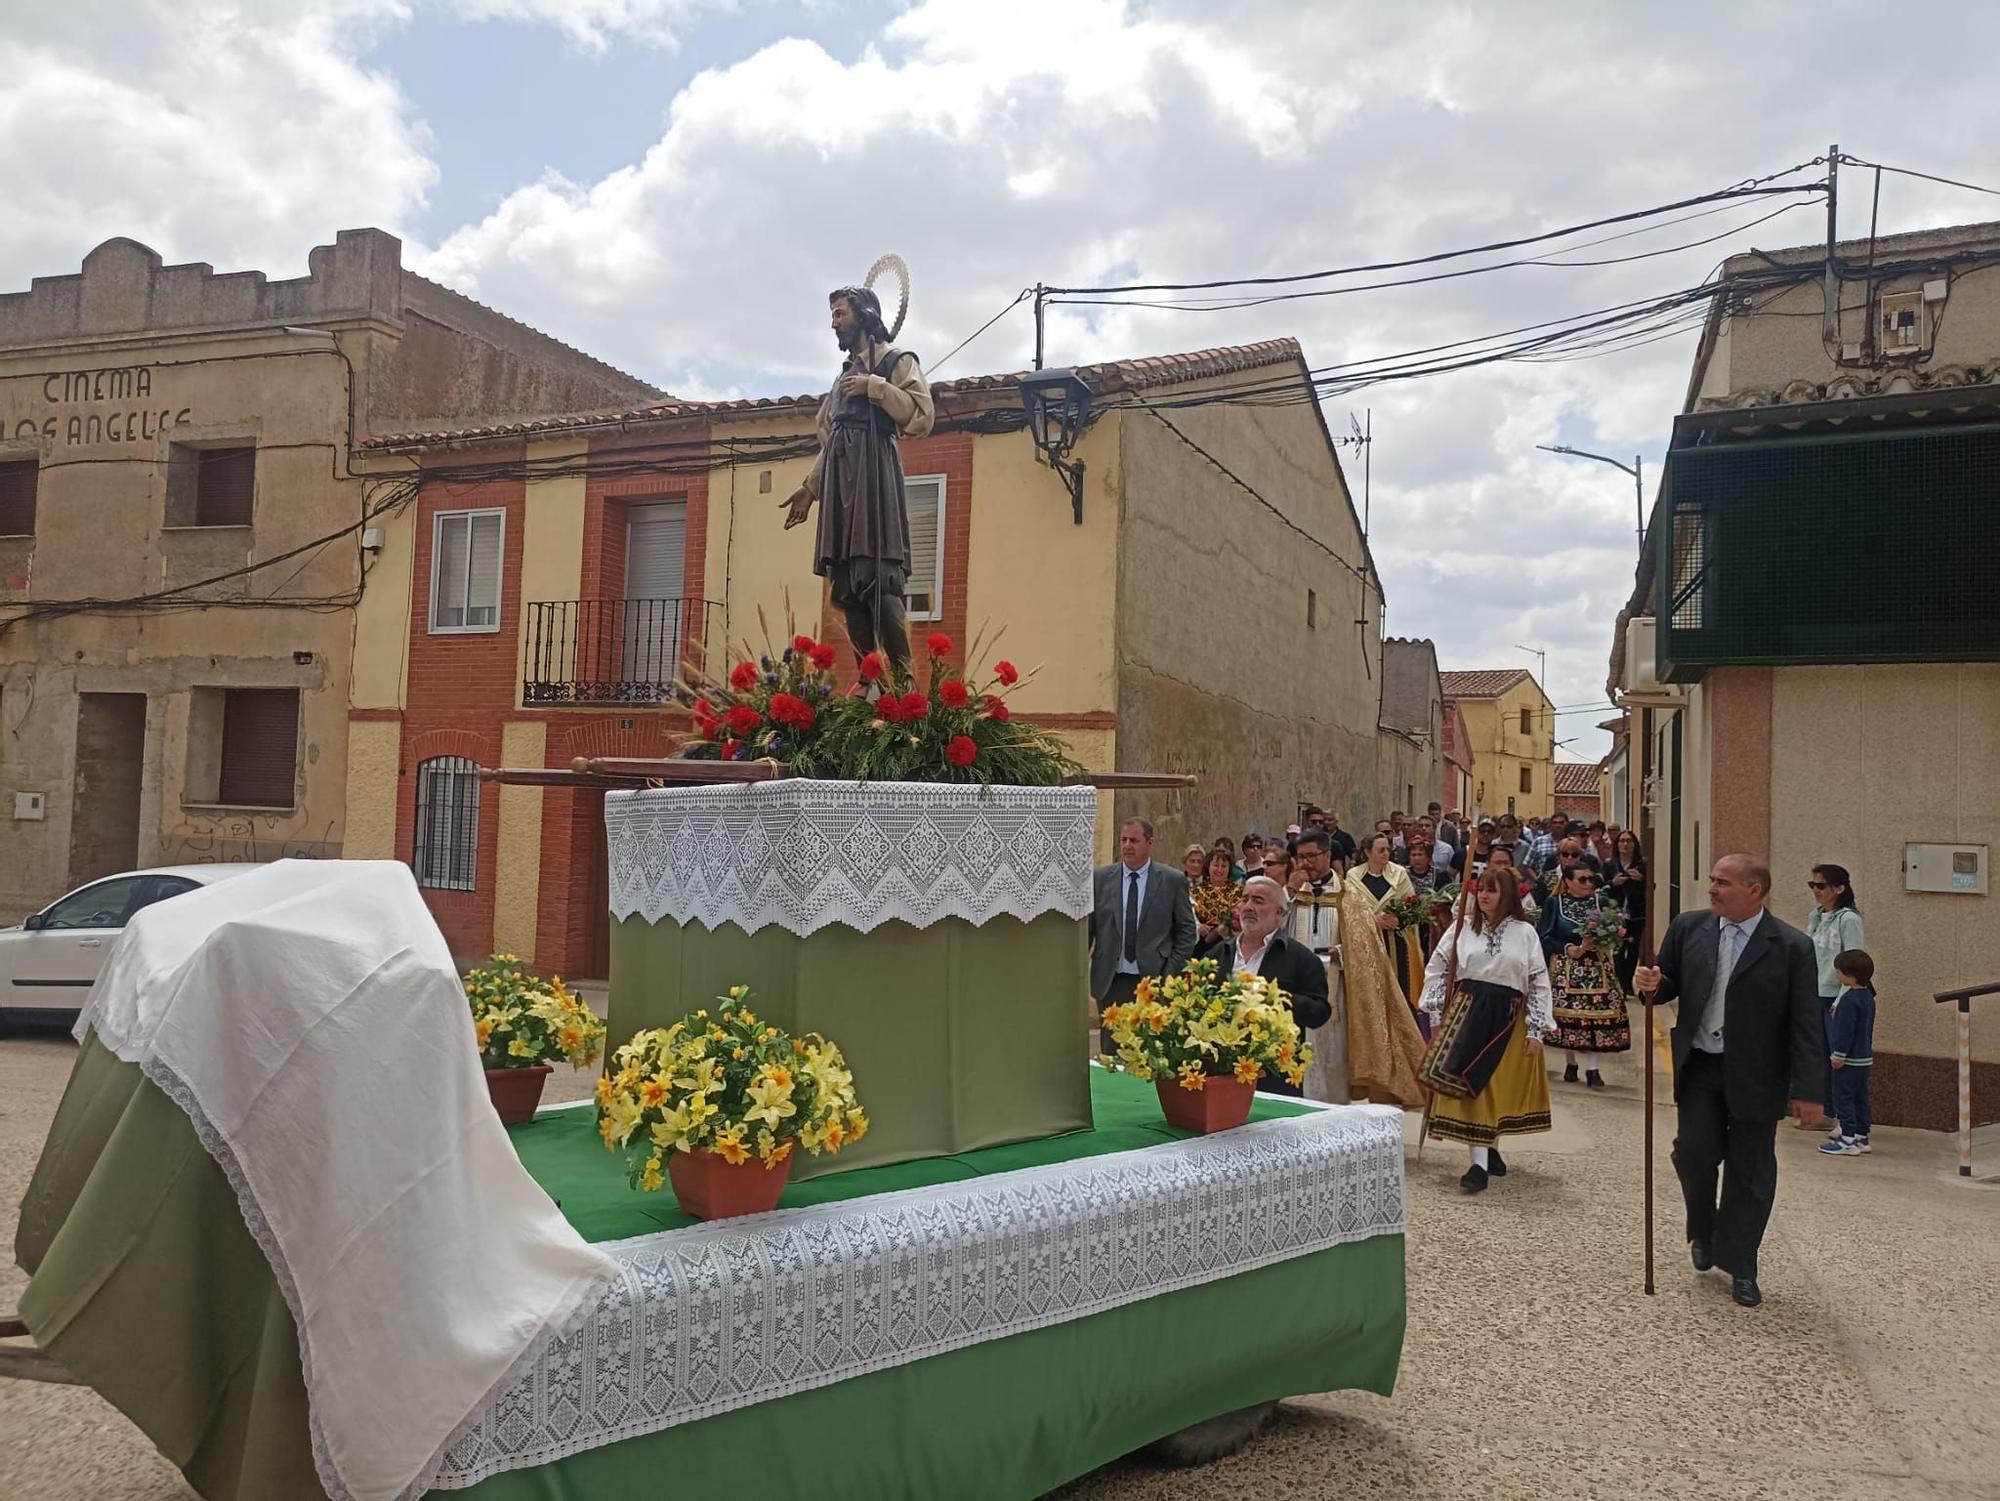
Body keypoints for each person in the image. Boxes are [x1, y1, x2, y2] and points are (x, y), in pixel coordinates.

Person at [1634, 856, 1825, 1309]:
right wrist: (1650, 982)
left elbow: (1806, 1024)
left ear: (1755, 890)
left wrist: (1810, 1091)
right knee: (1694, 1153)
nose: (1712, 889)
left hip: (1758, 1075)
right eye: (1713, 881)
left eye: (1723, 883)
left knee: (1751, 1171)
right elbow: (1666, 983)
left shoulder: (1792, 947)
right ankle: (1703, 1228)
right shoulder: (1689, 927)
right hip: (1701, 1065)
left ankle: (1741, 1262)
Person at [780, 284, 934, 671]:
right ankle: (869, 679)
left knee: (877, 576)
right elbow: (831, 439)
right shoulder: (841, 377)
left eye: (840, 314)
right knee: (847, 585)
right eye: (832, 315)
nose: (834, 323)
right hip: (839, 481)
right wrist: (810, 489)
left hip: (874, 475)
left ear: (863, 316)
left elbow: (921, 415)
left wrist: (876, 388)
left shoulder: (895, 361)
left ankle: (902, 680)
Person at [1418, 869, 1557, 1194]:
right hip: (1468, 1013)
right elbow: (1437, 969)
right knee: (1472, 1086)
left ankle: (1490, 1145)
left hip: (1509, 1016)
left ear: (1507, 895)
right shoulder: (1462, 928)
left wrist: (1536, 1028)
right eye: (1481, 890)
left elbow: (1538, 980)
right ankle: (1478, 1165)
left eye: (1492, 891)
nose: (1484, 896)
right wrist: (1436, 1011)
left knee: (1496, 1088)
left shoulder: (1525, 933)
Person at [1201, 876, 1331, 1097]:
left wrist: (1274, 999)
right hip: (1219, 1072)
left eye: (1259, 901)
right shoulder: (1217, 955)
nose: (1249, 907)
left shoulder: (1301, 959)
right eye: (1245, 899)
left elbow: (1319, 1012)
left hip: (1273, 1078)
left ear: (1279, 913)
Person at [1090, 819, 1200, 1054]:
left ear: (1150, 843)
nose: (1128, 846)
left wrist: (1170, 972)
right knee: (1113, 1051)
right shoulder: (1100, 879)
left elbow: (1187, 932)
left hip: (1153, 979)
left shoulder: (1171, 880)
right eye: (1124, 840)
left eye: (1134, 840)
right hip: (1112, 980)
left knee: (1151, 1050)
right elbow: (1090, 928)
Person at [1337, 834, 1428, 1106]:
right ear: (1367, 852)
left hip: (1395, 945)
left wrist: (1398, 919)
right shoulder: (1353, 877)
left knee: (1397, 1001)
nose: (1386, 853)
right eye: (1380, 849)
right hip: (1364, 949)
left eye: (1388, 849)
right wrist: (1372, 922)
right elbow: (1349, 911)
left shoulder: (1399, 874)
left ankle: (1402, 1069)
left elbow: (1413, 905)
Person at [1537, 861, 1630, 1086]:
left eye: (1591, 879)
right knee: (1568, 1019)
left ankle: (1593, 1068)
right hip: (1567, 967)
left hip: (1597, 967)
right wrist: (1570, 949)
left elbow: (1619, 931)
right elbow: (1544, 936)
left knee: (1595, 1020)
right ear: (1568, 881)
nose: (1588, 884)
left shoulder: (1602, 902)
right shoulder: (1554, 903)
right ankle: (1571, 1063)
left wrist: (1605, 941)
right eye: (1582, 880)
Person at [1282, 829, 1349, 1104]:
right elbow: (1273, 933)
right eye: (1301, 857)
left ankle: (1334, 1112)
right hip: (1298, 989)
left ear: (1328, 855)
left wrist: (1341, 952)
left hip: (1335, 987)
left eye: (1312, 856)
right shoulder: (1292, 893)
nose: (1306, 863)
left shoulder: (1348, 894)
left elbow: (1366, 945)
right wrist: (1289, 892)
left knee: (1333, 1056)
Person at [1804, 864, 1865, 1135]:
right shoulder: (1816, 916)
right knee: (1817, 1055)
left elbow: (1854, 959)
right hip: (1814, 993)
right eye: (1812, 885)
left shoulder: (1848, 919)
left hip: (1835, 995)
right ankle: (1825, 1111)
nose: (1816, 891)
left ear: (1839, 888)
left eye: (1821, 886)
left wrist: (1842, 998)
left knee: (1838, 1056)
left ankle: (1844, 1118)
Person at [1818, 949, 1877, 1157]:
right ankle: (1862, 1135)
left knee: (1843, 1097)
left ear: (1849, 975)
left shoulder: (1849, 1000)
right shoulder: (1868, 997)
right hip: (1863, 1058)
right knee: (1860, 1097)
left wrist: (1838, 1055)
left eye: (1839, 972)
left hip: (1847, 1059)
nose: (1837, 975)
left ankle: (1847, 1139)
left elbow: (1845, 1031)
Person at [1605, 830, 1647, 993]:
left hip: (1637, 913)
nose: (1625, 844)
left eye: (1629, 841)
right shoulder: (1610, 864)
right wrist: (1613, 882)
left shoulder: (1642, 864)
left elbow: (1652, 887)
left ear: (1634, 844)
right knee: (1618, 948)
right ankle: (1621, 982)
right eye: (1622, 841)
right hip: (1615, 912)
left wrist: (1641, 879)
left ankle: (1628, 982)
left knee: (1633, 947)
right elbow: (1603, 886)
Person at [1192, 848, 1241, 948]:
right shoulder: (1195, 891)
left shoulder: (1239, 892)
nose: (1219, 870)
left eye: (1224, 866)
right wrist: (1198, 927)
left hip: (1231, 942)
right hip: (1202, 943)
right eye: (1215, 865)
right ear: (1208, 867)